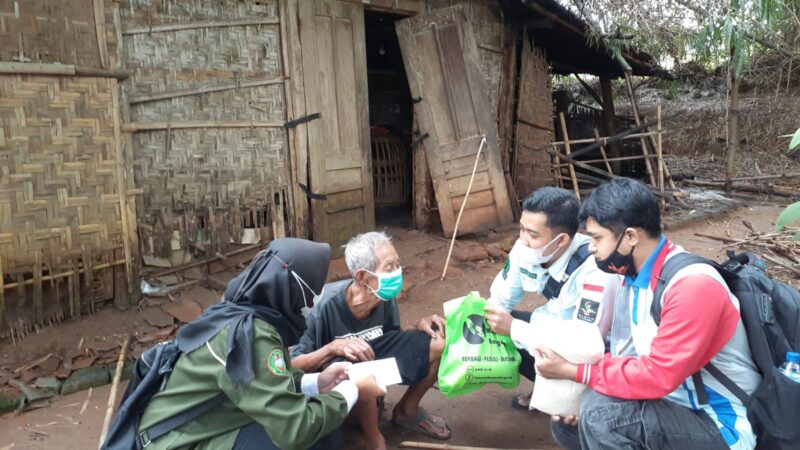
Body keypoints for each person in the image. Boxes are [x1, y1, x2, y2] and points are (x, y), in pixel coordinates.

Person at [536, 178, 761, 450]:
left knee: (601, 417)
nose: (591, 247)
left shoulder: (691, 286)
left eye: (597, 238)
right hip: (674, 405)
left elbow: (659, 375)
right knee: (569, 423)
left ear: (631, 236)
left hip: (719, 423)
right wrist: (579, 394)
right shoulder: (634, 279)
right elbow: (624, 358)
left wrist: (575, 371)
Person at [136, 238, 385, 450]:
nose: (315, 297)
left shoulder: (239, 313)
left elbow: (260, 382)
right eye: (315, 287)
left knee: (320, 421)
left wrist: (316, 381)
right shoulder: (251, 334)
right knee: (305, 433)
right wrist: (351, 390)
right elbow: (294, 429)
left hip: (195, 424)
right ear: (296, 287)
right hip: (175, 441)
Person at [291, 231, 450, 450]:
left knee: (438, 340)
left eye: (397, 264)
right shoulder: (322, 306)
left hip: (370, 364)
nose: (397, 272)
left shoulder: (384, 297)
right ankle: (374, 438)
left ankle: (407, 410)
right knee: (360, 370)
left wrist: (417, 328)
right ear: (363, 277)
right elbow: (293, 366)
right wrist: (332, 348)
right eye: (389, 267)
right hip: (333, 381)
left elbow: (390, 340)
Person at [483, 187, 619, 410]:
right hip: (551, 328)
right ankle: (546, 388)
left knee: (513, 328)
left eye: (533, 234)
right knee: (496, 322)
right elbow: (501, 298)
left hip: (593, 348)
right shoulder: (523, 250)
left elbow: (584, 344)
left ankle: (576, 404)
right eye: (522, 229)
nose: (523, 240)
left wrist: (515, 329)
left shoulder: (595, 269)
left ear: (561, 240)